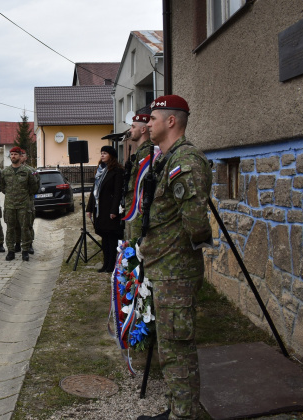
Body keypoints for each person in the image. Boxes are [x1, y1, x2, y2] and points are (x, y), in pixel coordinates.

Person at [137, 95, 212, 420]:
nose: (147, 123)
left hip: (176, 272)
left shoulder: (186, 161)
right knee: (169, 349)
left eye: (153, 118)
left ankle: (184, 415)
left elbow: (196, 222)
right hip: (165, 269)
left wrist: (177, 251)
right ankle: (177, 408)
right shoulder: (166, 160)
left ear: (171, 121)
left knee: (178, 349)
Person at [86, 145, 124, 273]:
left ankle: (112, 265)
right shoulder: (100, 170)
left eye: (105, 153)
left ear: (111, 156)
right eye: (101, 153)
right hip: (100, 210)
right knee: (104, 238)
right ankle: (105, 263)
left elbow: (118, 192)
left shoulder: (117, 170)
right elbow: (94, 190)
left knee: (111, 238)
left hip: (110, 210)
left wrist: (114, 210)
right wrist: (89, 208)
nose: (102, 155)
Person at [122, 114, 158, 241]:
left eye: (133, 127)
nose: (130, 130)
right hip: (132, 206)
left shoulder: (149, 151)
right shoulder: (138, 152)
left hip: (139, 208)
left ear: (143, 130)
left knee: (136, 243)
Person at [1, 147, 39, 261]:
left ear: (20, 156)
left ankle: (25, 251)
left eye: (15, 154)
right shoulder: (5, 172)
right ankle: (11, 251)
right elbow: (2, 187)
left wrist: (24, 196)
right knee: (10, 229)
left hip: (23, 205)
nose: (13, 156)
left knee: (25, 228)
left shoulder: (27, 172)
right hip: (10, 205)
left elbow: (34, 188)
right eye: (11, 154)